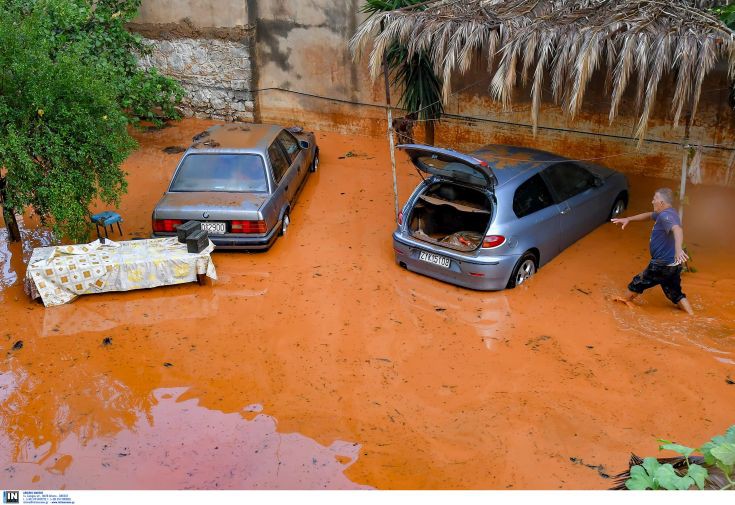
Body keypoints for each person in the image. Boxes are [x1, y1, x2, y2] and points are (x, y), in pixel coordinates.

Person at [611, 187, 694, 315]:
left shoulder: (665, 216)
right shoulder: (667, 213)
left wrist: (678, 250)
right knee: (675, 294)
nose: (652, 201)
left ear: (661, 203)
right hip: (673, 264)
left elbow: (677, 230)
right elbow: (649, 215)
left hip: (661, 264)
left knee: (637, 282)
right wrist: (629, 219)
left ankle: (621, 305)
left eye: (654, 199)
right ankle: (691, 316)